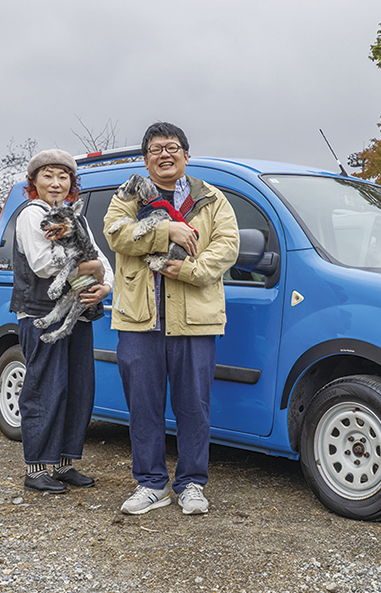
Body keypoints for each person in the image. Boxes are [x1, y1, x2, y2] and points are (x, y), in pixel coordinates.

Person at [104, 122, 239, 515]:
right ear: (146, 160)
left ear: (186, 155)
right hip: (138, 318)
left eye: (172, 147)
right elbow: (116, 233)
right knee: (143, 407)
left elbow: (228, 246)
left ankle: (192, 483)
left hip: (195, 319)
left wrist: (191, 271)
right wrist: (167, 231)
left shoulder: (211, 197)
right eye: (156, 149)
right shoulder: (128, 193)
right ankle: (150, 484)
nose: (165, 154)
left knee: (194, 407)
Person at [11, 149, 113, 494]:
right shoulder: (31, 214)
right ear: (34, 182)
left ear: (72, 182)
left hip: (78, 313)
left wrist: (105, 286)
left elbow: (102, 261)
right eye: (48, 176)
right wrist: (91, 268)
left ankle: (64, 464)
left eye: (63, 176)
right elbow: (43, 265)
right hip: (41, 313)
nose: (56, 183)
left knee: (78, 389)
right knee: (45, 389)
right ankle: (37, 467)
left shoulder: (75, 217)